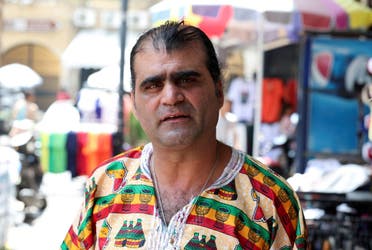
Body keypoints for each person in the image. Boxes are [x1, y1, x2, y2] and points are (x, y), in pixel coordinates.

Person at [61, 21, 307, 249]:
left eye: (187, 80)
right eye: (153, 85)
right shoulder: (106, 184)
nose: (170, 97)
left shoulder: (270, 200)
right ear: (134, 104)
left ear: (219, 92)